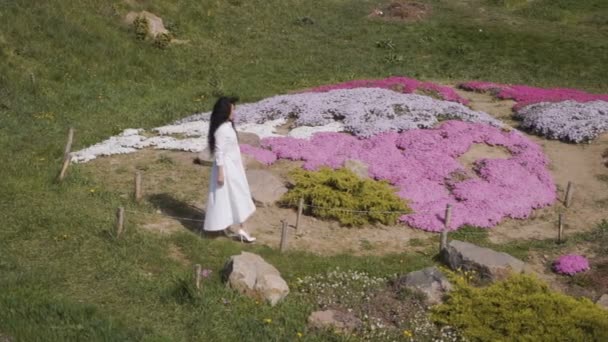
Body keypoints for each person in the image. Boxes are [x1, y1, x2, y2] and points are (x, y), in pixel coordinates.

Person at [203, 96, 256, 242]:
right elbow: (219, 152)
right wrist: (221, 173)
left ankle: (240, 227)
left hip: (233, 166)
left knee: (238, 195)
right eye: (232, 110)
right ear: (225, 111)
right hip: (226, 168)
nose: (234, 113)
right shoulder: (221, 130)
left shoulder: (227, 127)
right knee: (236, 195)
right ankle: (241, 228)